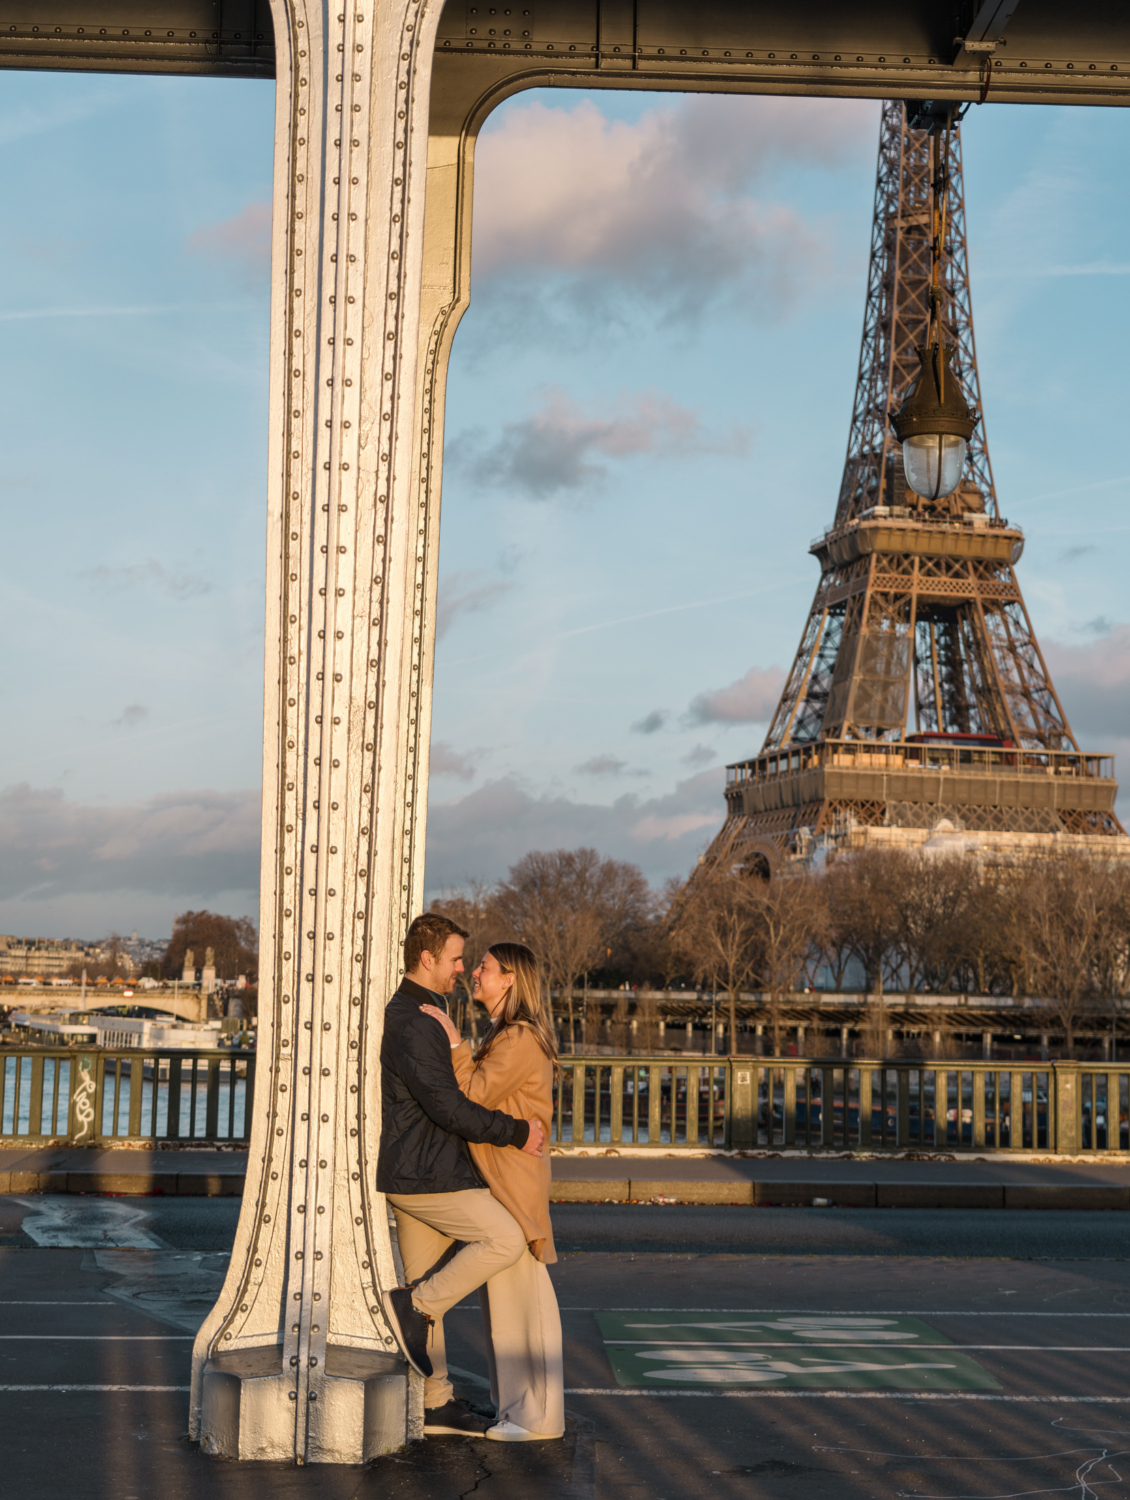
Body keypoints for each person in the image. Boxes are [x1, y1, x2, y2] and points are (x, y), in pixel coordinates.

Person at [378, 913, 547, 1437]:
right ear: (427, 959)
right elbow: (451, 1106)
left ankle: (434, 1404)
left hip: (423, 1169)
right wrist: (517, 1133)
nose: (462, 969)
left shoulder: (425, 1011)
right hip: (425, 1174)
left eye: (473, 963)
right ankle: (414, 1307)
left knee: (434, 1286)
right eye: (455, 959)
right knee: (503, 1239)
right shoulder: (416, 1020)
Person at [421, 942, 564, 1442]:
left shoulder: (518, 1037)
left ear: (509, 981)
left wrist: (455, 1040)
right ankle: (521, 1411)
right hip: (506, 1177)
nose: (475, 972)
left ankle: (536, 1418)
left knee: (524, 1302)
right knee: (511, 1304)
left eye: (485, 967)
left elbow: (474, 1094)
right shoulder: (512, 1033)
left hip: (512, 1180)